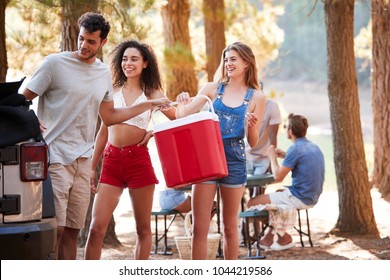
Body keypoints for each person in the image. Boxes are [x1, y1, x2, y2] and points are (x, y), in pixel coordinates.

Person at [22, 13, 169, 260]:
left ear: (102, 42)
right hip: (56, 155)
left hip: (83, 159)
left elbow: (109, 117)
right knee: (56, 230)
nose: (83, 46)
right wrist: (32, 119)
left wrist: (148, 109)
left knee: (72, 231)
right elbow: (22, 99)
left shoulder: (102, 74)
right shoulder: (54, 64)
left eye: (91, 41)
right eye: (81, 39)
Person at [84, 40, 176, 260]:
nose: (128, 63)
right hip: (112, 160)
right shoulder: (112, 90)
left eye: (134, 59)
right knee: (96, 228)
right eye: (125, 59)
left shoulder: (152, 93)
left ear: (145, 63)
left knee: (143, 230)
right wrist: (92, 166)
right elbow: (103, 132)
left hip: (138, 161)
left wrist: (153, 131)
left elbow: (177, 118)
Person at [176, 42, 266, 259]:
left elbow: (253, 143)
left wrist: (251, 125)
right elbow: (182, 115)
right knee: (200, 227)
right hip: (207, 159)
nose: (228, 63)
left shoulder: (257, 97)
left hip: (234, 161)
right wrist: (182, 99)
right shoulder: (212, 89)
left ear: (246, 63)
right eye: (226, 59)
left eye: (233, 59)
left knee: (229, 228)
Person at [247, 113, 325, 250]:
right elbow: (301, 161)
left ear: (290, 131)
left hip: (299, 197)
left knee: (252, 202)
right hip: (312, 197)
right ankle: (269, 239)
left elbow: (278, 177)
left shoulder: (295, 149)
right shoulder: (313, 146)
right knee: (278, 193)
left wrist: (272, 157)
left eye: (285, 127)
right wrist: (285, 155)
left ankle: (285, 238)